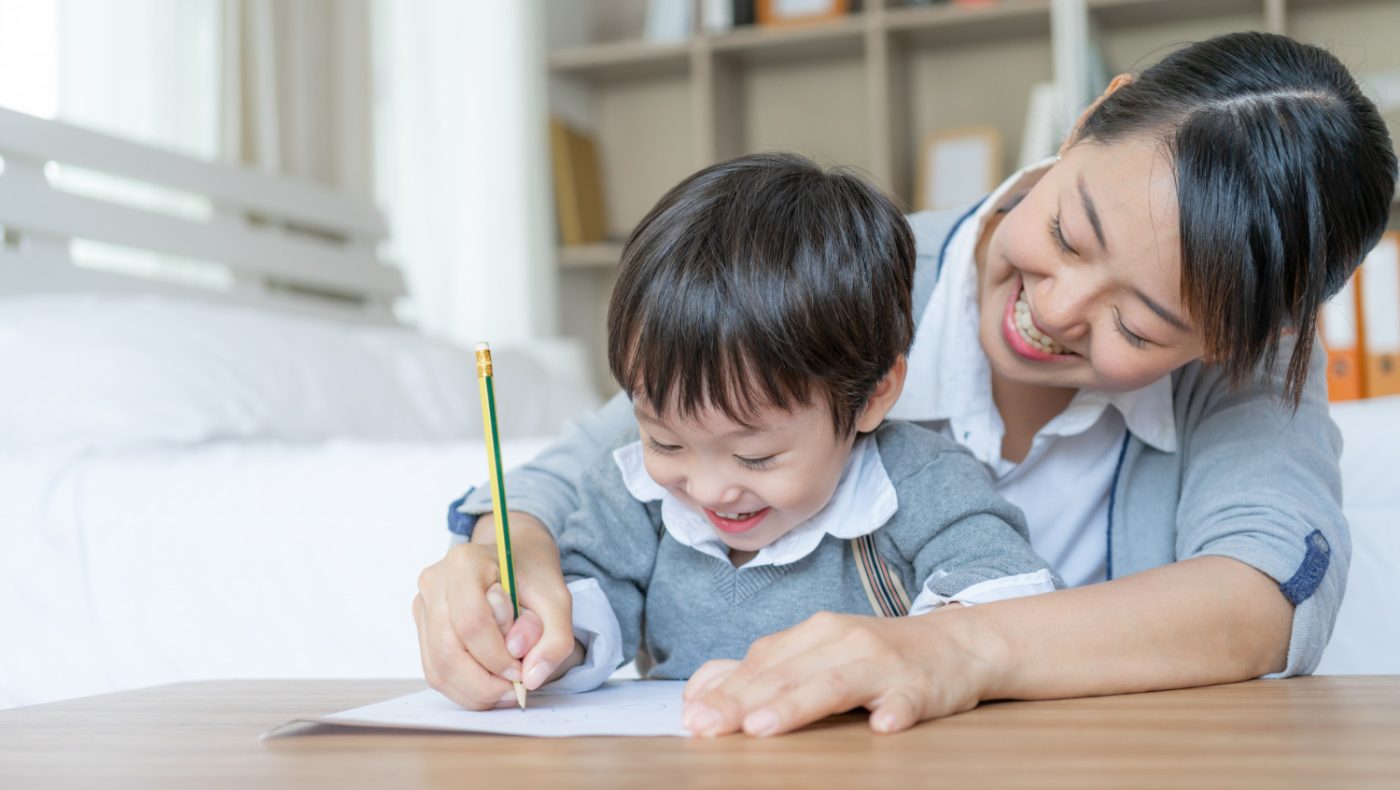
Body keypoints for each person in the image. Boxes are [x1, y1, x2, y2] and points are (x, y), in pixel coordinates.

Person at [415, 32, 1397, 735]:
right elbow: (606, 456)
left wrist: (954, 648)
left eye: (1135, 323)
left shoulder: (1248, 364)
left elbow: (1261, 596)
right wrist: (508, 558)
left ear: (1243, 331)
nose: (1054, 310)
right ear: (1097, 109)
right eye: (1063, 232)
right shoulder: (869, 278)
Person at [424, 152, 1059, 702]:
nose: (706, 489)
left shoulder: (921, 484)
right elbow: (591, 606)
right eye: (666, 441)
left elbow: (1011, 605)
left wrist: (925, 646)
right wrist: (537, 640)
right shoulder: (634, 493)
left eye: (755, 457)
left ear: (872, 395)